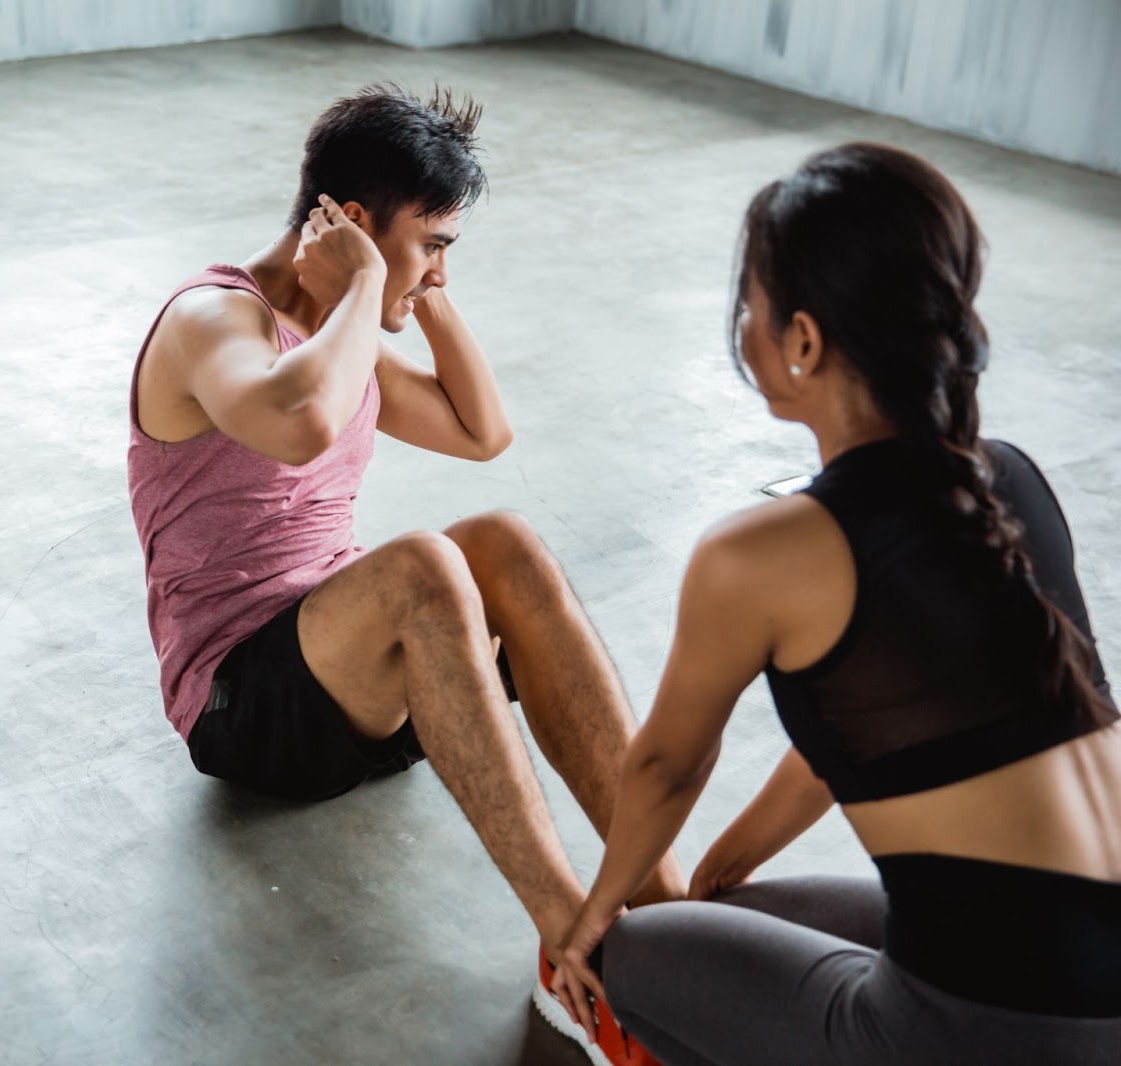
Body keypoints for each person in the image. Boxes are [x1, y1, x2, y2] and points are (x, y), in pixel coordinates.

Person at [543, 142, 1121, 1064]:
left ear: (803, 341)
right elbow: (857, 741)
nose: (744, 327)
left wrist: (590, 920)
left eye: (752, 308)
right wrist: (722, 867)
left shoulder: (760, 554)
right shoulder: (1009, 479)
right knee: (728, 911)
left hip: (989, 1036)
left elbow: (665, 769)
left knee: (633, 957)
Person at [126, 83, 685, 966]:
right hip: (242, 706)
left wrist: (414, 287)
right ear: (351, 222)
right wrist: (369, 286)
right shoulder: (212, 320)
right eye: (435, 244)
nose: (442, 266)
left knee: (504, 542)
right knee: (426, 564)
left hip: (352, 685)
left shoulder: (343, 329)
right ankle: (574, 940)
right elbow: (301, 418)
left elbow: (482, 431)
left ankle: (666, 900)